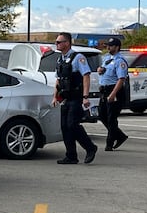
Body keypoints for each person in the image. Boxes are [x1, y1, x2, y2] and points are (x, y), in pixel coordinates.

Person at [52, 32, 98, 164]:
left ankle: (90, 148)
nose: (56, 44)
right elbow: (58, 80)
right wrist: (55, 97)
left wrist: (85, 96)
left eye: (59, 42)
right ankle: (71, 156)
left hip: (76, 97)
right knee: (65, 127)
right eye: (56, 42)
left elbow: (86, 76)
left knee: (72, 125)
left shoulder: (78, 58)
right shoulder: (60, 59)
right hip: (65, 98)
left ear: (67, 43)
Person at [97, 37, 128, 151]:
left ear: (117, 47)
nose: (108, 47)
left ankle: (109, 143)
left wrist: (113, 94)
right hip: (104, 90)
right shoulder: (107, 58)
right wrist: (100, 70)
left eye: (111, 46)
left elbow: (121, 79)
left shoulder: (120, 61)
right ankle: (120, 136)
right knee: (102, 115)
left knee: (111, 118)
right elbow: (103, 70)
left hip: (114, 90)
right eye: (108, 46)